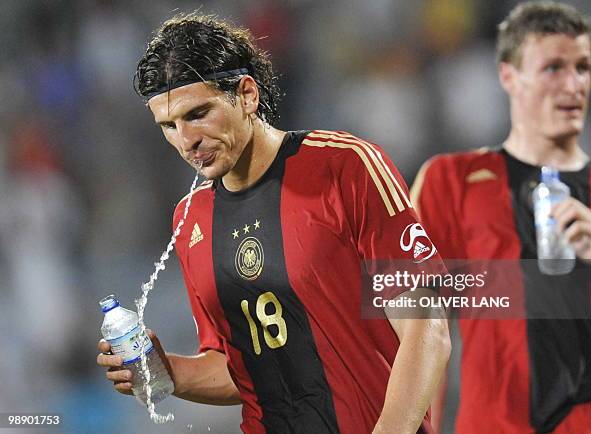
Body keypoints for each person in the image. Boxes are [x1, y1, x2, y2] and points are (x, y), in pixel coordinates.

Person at [96, 13, 451, 434]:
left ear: (246, 94)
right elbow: (241, 367)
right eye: (169, 126)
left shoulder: (345, 166)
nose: (186, 140)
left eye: (198, 113)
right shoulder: (191, 219)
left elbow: (426, 328)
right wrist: (167, 371)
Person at [412, 2, 591, 433]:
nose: (573, 84)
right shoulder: (450, 180)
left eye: (583, 67)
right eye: (553, 68)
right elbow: (417, 324)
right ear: (508, 75)